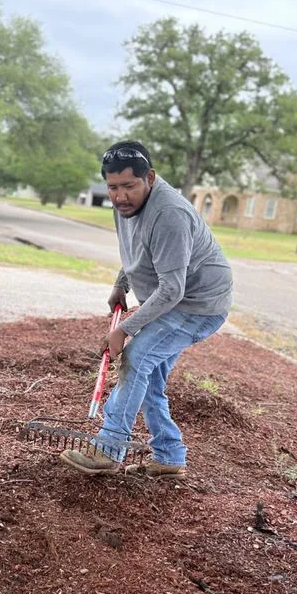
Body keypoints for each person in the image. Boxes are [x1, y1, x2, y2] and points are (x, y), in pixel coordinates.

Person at [60, 141, 233, 478]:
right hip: (175, 298)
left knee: (137, 357)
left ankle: (109, 448)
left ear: (150, 178)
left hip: (199, 304)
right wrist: (121, 283)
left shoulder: (169, 215)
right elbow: (136, 249)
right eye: (113, 187)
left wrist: (125, 329)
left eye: (129, 186)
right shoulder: (124, 206)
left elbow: (172, 289)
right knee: (149, 375)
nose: (120, 196)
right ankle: (169, 456)